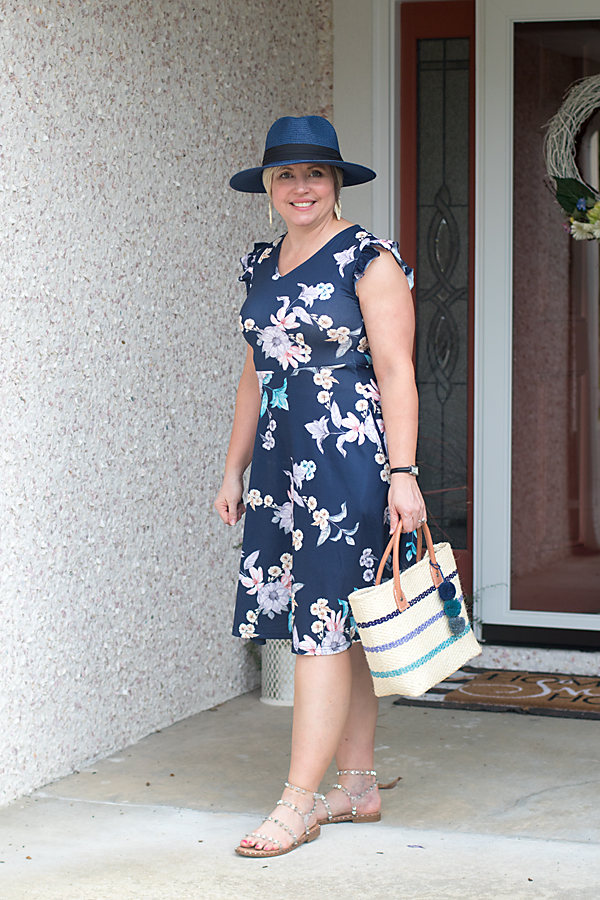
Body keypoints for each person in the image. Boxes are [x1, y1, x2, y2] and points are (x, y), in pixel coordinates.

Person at [214, 116, 426, 858]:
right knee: (337, 625)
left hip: (347, 461)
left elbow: (397, 371)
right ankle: (357, 785)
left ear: (336, 183)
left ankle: (297, 803)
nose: (299, 187)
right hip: (279, 462)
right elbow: (255, 370)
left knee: (323, 628)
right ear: (269, 188)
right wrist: (234, 466)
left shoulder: (368, 258)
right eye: (285, 176)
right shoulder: (260, 263)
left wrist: (404, 474)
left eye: (314, 174)